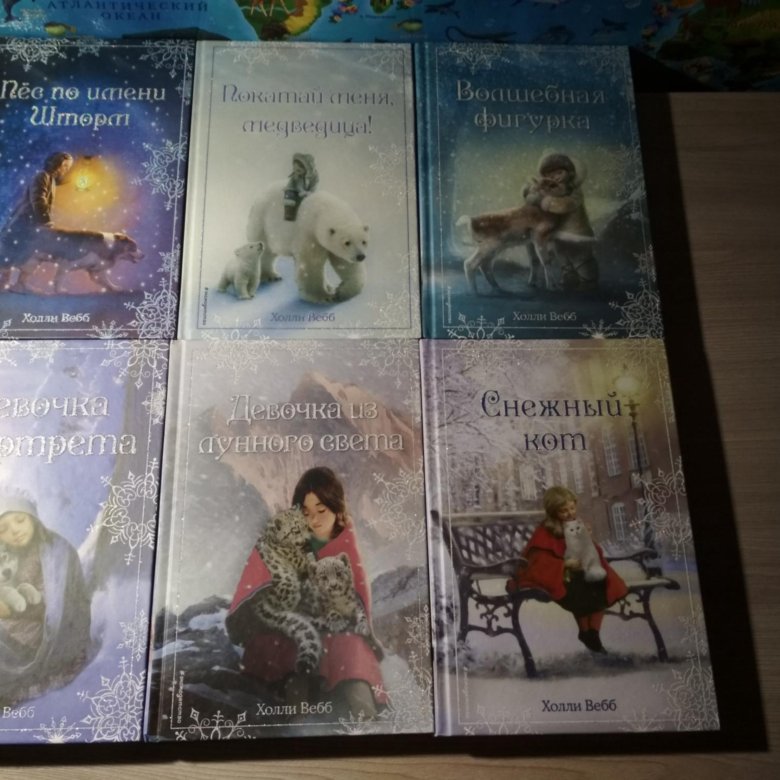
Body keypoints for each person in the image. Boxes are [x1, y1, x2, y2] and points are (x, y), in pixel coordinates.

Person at [226, 466, 385, 720]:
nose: (314, 520)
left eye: (321, 511)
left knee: (350, 648)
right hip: (284, 618)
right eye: (306, 513)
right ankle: (297, 721)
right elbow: (258, 576)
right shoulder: (285, 534)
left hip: (333, 622)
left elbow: (356, 589)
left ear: (336, 509)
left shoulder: (344, 538)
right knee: (288, 650)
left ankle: (366, 719)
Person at [506, 485, 628, 653]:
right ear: (553, 512)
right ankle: (586, 631)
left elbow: (590, 550)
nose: (570, 513)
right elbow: (540, 561)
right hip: (560, 576)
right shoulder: (546, 530)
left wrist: (587, 542)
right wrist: (565, 564)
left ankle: (592, 632)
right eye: (564, 511)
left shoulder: (576, 525)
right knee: (580, 590)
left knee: (600, 583)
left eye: (572, 508)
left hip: (582, 571)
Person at [0, 493, 91, 706]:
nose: (14, 531)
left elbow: (58, 609)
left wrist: (11, 612)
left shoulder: (57, 553)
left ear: (32, 517)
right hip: (15, 633)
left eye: (20, 520)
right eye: (3, 529)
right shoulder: (7, 555)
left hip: (52, 640)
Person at [521, 152, 599, 291]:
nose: (555, 177)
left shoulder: (573, 190)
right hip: (558, 232)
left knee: (581, 258)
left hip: (576, 232)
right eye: (551, 175)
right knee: (562, 257)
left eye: (559, 173)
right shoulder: (550, 189)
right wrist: (532, 194)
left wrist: (546, 202)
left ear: (569, 172)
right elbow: (534, 198)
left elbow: (566, 205)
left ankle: (588, 282)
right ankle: (569, 279)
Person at [0, 151, 74, 290]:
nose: (66, 170)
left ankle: (18, 284)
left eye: (68, 167)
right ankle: (4, 285)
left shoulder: (50, 179)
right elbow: (39, 199)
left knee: (25, 254)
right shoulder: (42, 176)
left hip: (31, 225)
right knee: (9, 254)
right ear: (56, 163)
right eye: (65, 166)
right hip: (23, 223)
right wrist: (46, 221)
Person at [283, 153, 318, 221]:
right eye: (295, 169)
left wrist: (310, 192)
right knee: (290, 199)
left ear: (306, 169)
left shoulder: (312, 176)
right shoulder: (298, 176)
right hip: (292, 190)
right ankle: (289, 215)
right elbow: (299, 186)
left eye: (299, 170)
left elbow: (314, 184)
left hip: (303, 191)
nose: (297, 172)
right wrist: (302, 192)